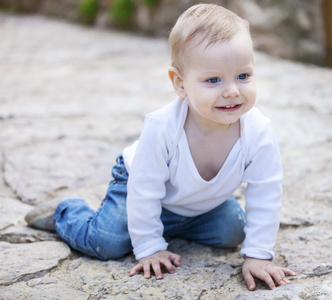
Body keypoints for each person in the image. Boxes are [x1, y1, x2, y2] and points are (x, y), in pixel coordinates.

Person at [25, 3, 295, 291]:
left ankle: (169, 226)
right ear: (180, 83)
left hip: (200, 204)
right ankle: (66, 212)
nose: (232, 90)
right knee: (107, 242)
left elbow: (265, 190)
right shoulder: (163, 127)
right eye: (213, 80)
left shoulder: (258, 131)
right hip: (137, 186)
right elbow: (144, 189)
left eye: (243, 76)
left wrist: (257, 255)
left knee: (232, 232)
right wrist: (150, 247)